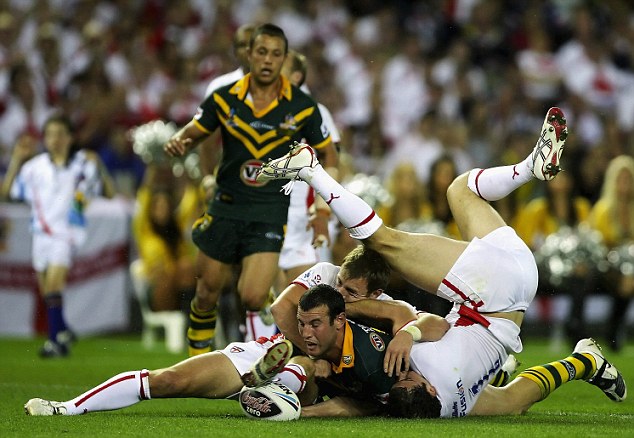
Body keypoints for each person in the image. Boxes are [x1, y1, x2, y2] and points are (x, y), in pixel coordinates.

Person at [258, 106, 627, 417]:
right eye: (409, 379)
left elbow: (518, 398)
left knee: (461, 190)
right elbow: (430, 324)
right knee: (382, 241)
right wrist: (407, 333)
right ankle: (311, 169)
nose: (400, 374)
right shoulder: (429, 376)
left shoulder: (456, 407)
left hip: (517, 291)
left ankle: (586, 360)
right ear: (429, 389)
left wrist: (304, 412)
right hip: (490, 293)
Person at [23, 248, 450, 417]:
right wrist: (316, 350)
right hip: (272, 350)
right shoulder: (323, 276)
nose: (340, 295)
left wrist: (407, 332)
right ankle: (66, 409)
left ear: (372, 292)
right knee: (170, 380)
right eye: (339, 287)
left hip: (311, 379)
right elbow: (283, 310)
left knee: (307, 368)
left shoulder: (386, 314)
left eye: (350, 293)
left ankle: (277, 389)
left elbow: (435, 323)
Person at [163, 23, 336, 356]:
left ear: (284, 58)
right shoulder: (225, 97)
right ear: (249, 55)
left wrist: (324, 206)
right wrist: (178, 140)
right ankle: (198, 359)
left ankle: (254, 352)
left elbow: (329, 155)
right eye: (261, 52)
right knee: (207, 292)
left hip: (269, 210)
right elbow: (197, 130)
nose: (268, 60)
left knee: (255, 297)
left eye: (275, 54)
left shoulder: (302, 107)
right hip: (226, 205)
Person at [0, 114, 115, 358]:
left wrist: (101, 166)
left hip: (67, 234)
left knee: (54, 285)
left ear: (71, 137)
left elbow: (109, 193)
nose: (55, 139)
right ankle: (63, 330)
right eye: (50, 134)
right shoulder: (34, 167)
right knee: (48, 291)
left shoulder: (83, 165)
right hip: (40, 233)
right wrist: (16, 160)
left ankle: (55, 342)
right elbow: (8, 192)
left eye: (61, 134)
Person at [131, 164, 201, 311]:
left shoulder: (177, 227)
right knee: (170, 273)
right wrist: (154, 164)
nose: (162, 210)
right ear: (151, 209)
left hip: (180, 288)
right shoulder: (144, 230)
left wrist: (188, 167)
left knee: (187, 267)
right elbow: (144, 197)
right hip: (157, 290)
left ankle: (188, 317)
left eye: (165, 206)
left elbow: (191, 199)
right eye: (157, 206)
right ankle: (187, 316)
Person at [588, 155, 634, 351]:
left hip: (630, 269)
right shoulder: (602, 210)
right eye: (621, 178)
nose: (625, 183)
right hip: (605, 266)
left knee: (628, 279)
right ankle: (613, 334)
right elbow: (597, 246)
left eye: (629, 179)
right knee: (624, 280)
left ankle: (614, 334)